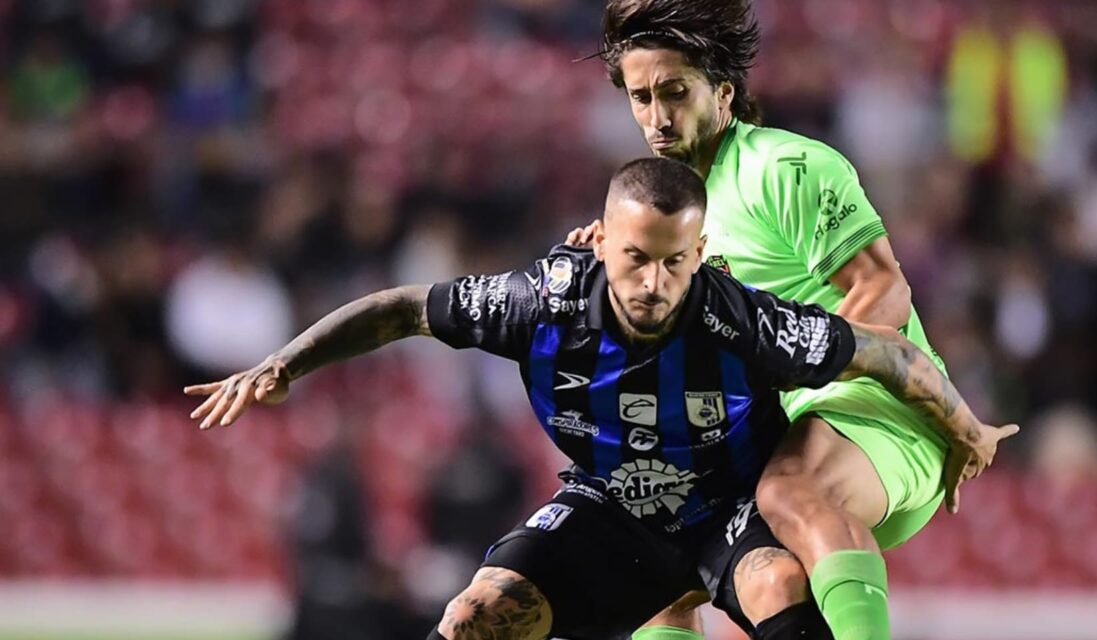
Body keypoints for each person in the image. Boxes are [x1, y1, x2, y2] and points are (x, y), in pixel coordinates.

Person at [187, 158, 1015, 639]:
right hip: (613, 506)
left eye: (673, 263)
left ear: (700, 255)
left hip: (727, 507)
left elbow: (883, 353)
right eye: (633, 259)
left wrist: (964, 425)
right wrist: (284, 365)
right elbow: (404, 308)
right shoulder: (538, 301)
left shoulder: (744, 320)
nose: (653, 284)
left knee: (774, 587)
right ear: (602, 240)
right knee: (477, 615)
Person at [566, 2, 1015, 638]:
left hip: (876, 408)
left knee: (790, 487)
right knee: (654, 565)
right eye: (641, 98)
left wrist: (813, 367)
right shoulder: (657, 215)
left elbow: (883, 287)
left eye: (674, 92)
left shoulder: (782, 167)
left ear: (722, 91)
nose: (658, 118)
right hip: (764, 433)